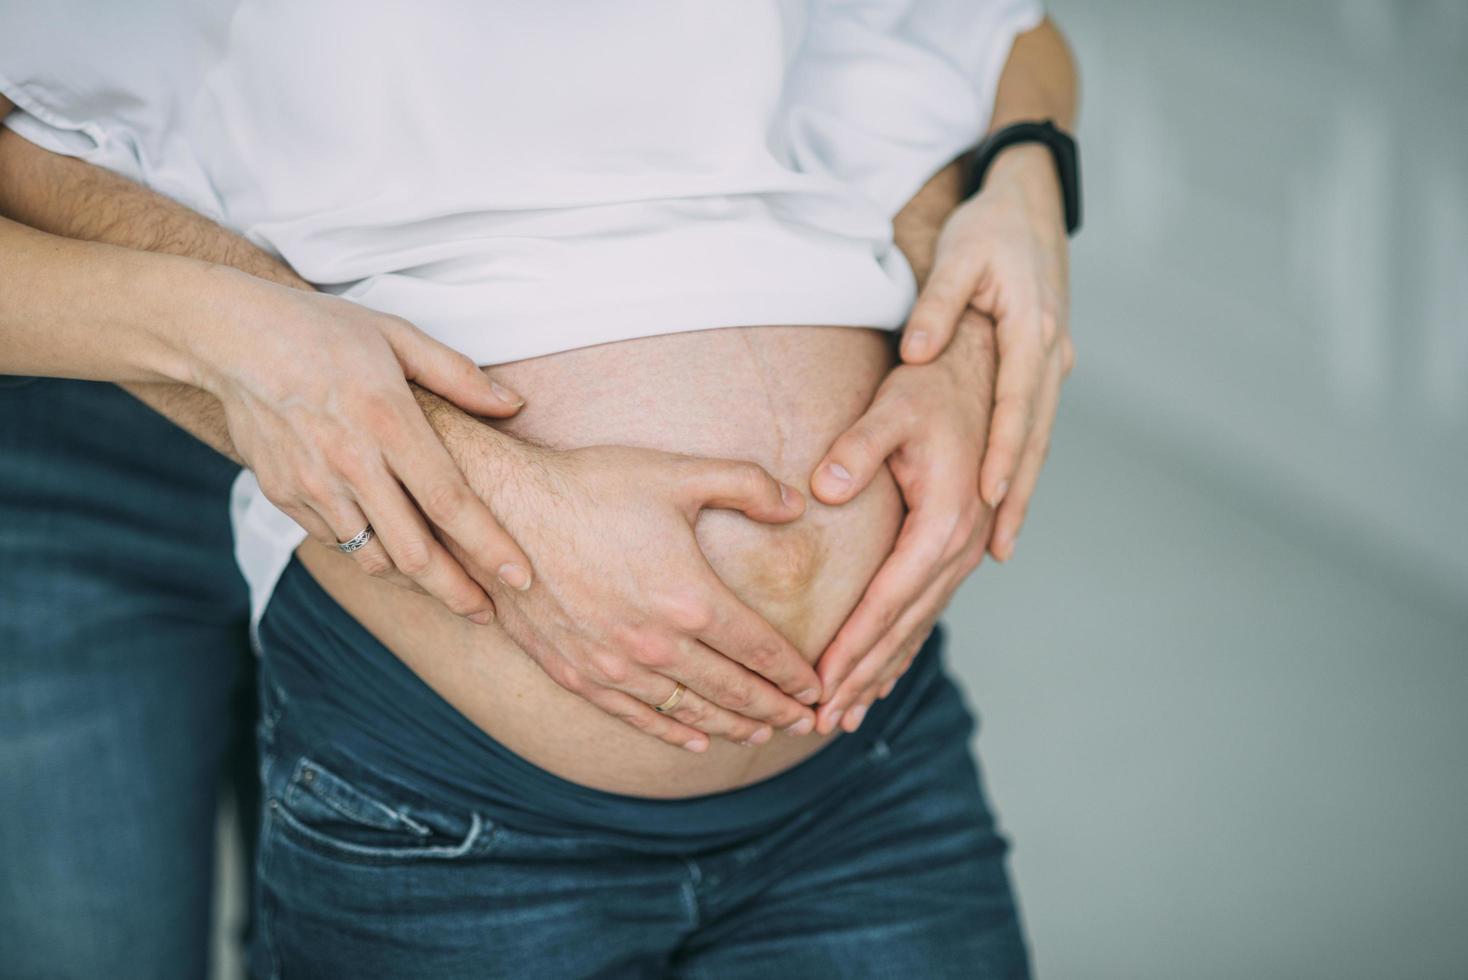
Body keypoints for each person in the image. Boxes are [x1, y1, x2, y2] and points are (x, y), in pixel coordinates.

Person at [0, 2, 1076, 975]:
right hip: (455, 804)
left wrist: (1012, 202)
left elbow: (969, 32)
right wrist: (484, 485)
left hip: (870, 769)